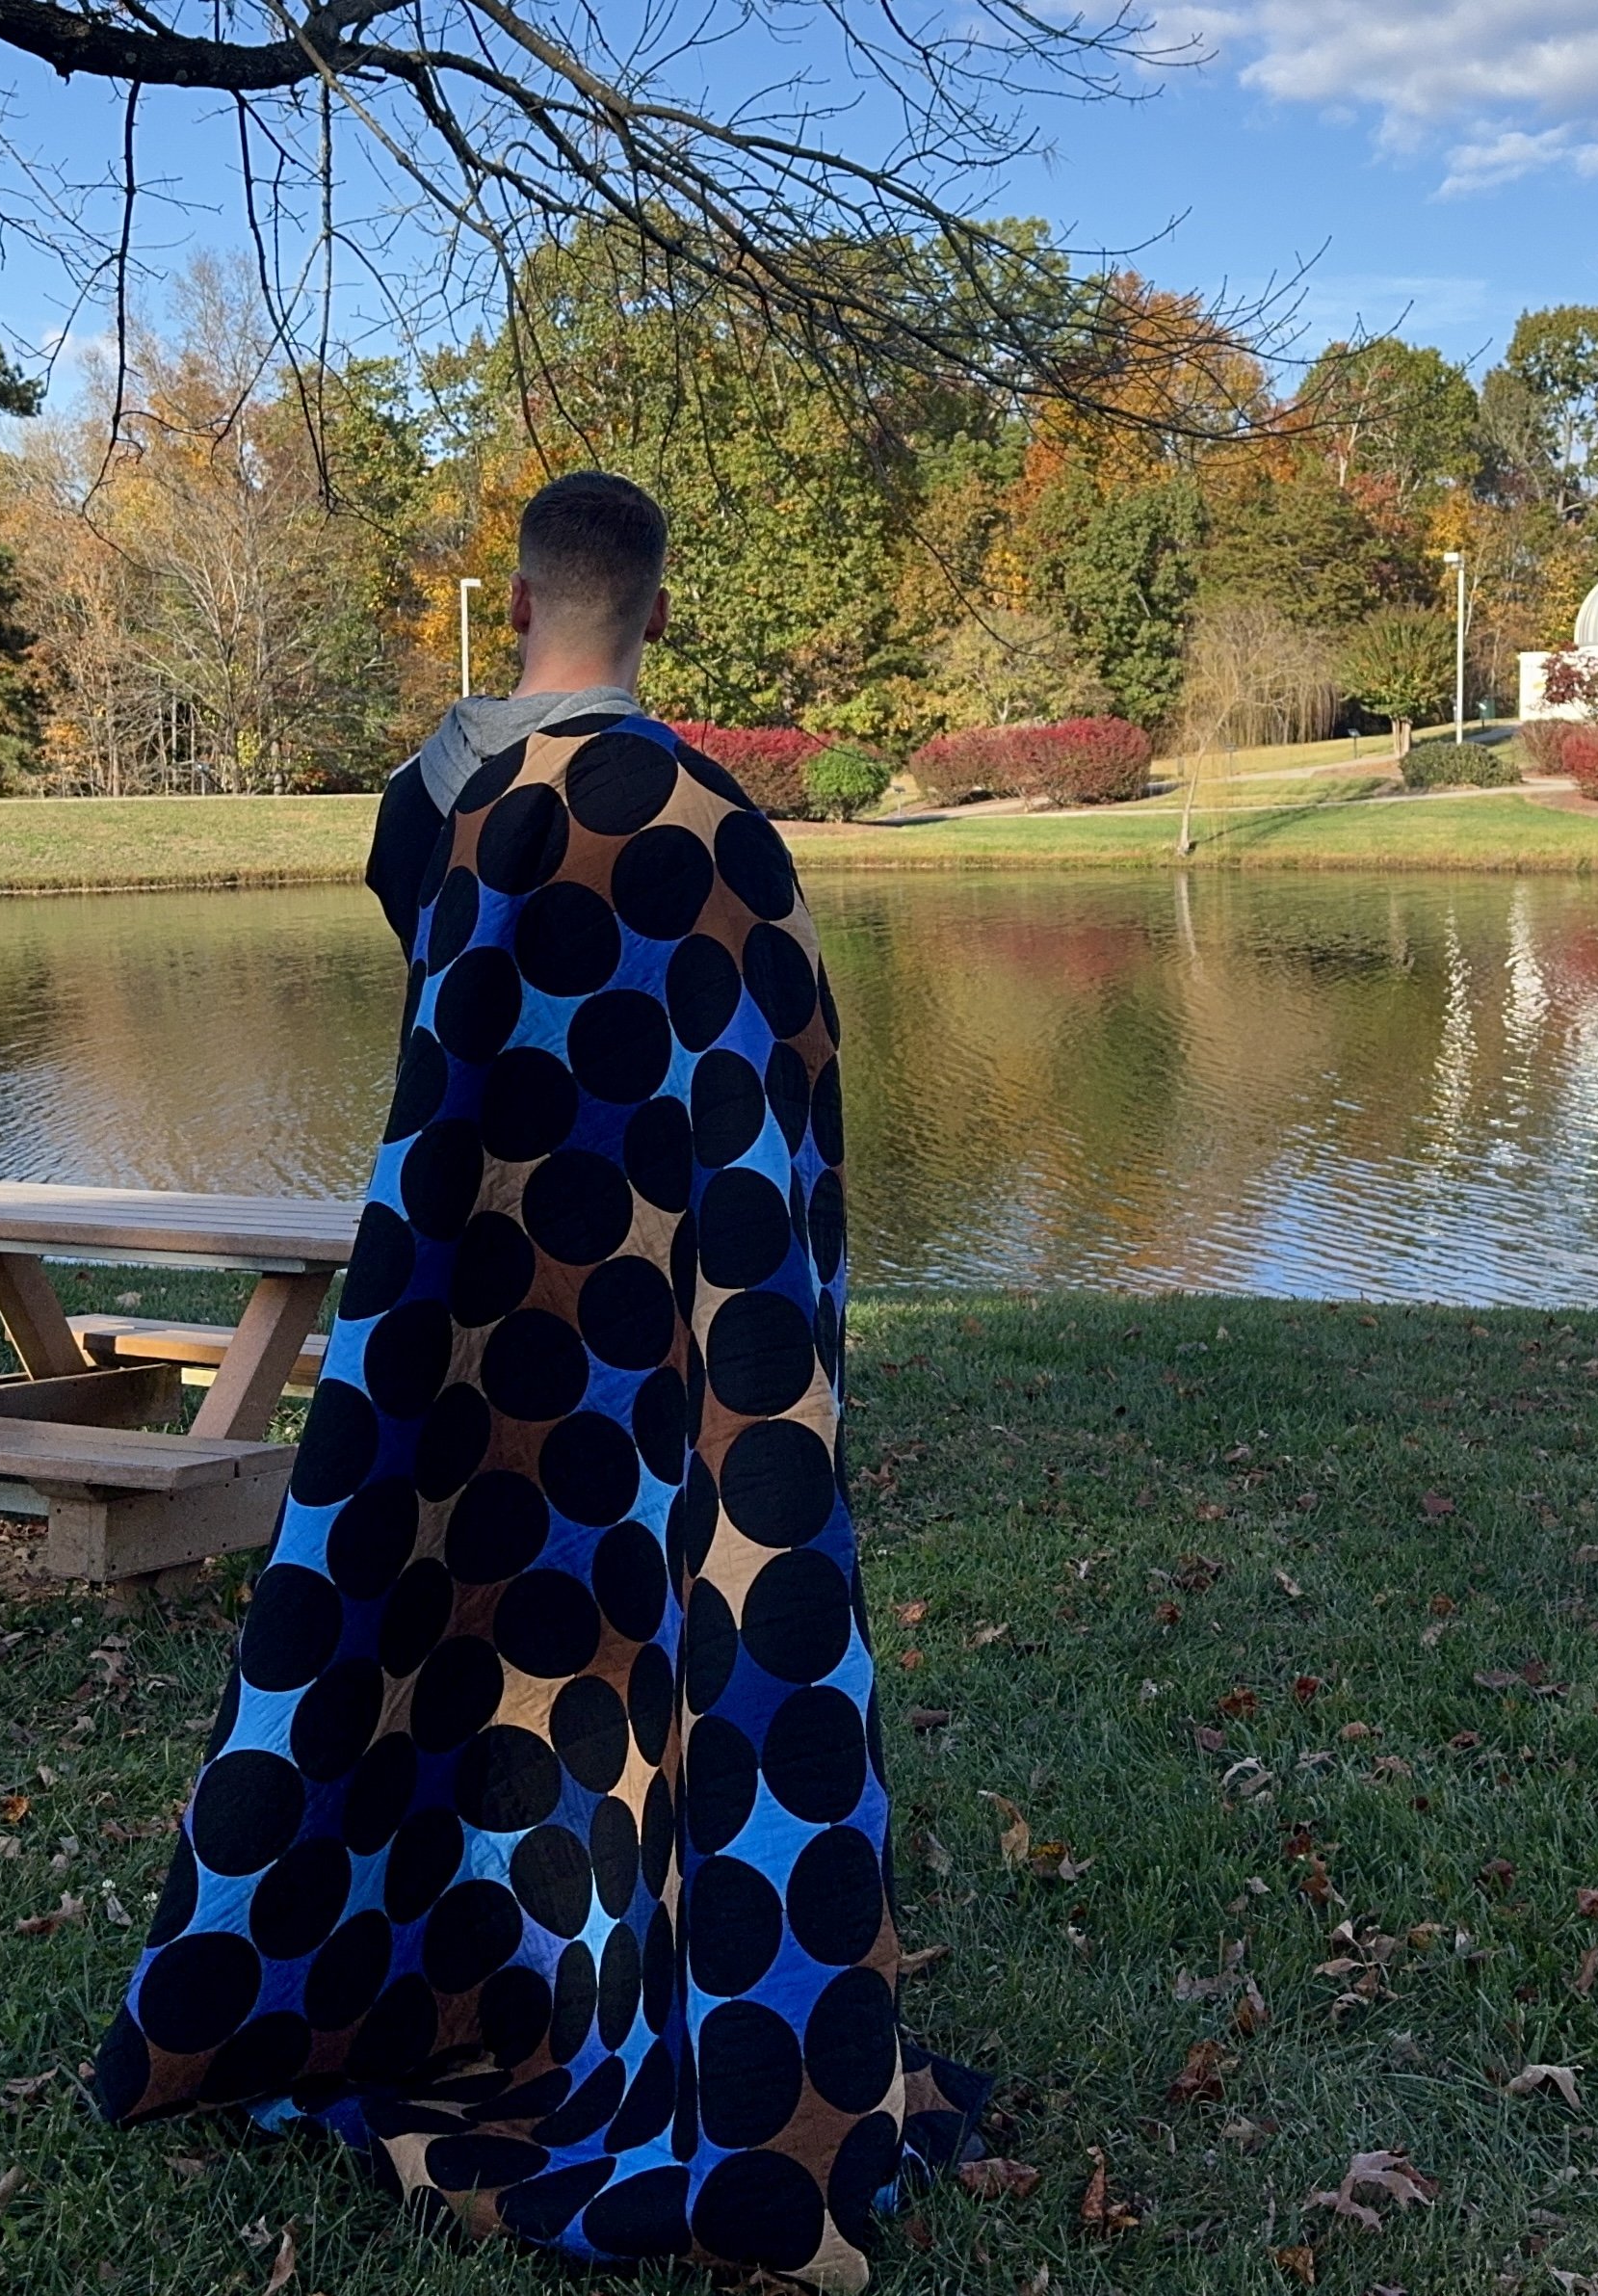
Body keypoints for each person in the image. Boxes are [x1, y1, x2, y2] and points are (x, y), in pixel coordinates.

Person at [94, 470, 986, 2288]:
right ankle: (686, 2020)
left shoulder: (447, 802)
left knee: (450, 1620)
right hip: (671, 1352)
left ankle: (410, 1960)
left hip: (476, 1300)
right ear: (654, 607)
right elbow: (788, 1123)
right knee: (668, 1656)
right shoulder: (731, 831)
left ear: (517, 600)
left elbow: (444, 1026)